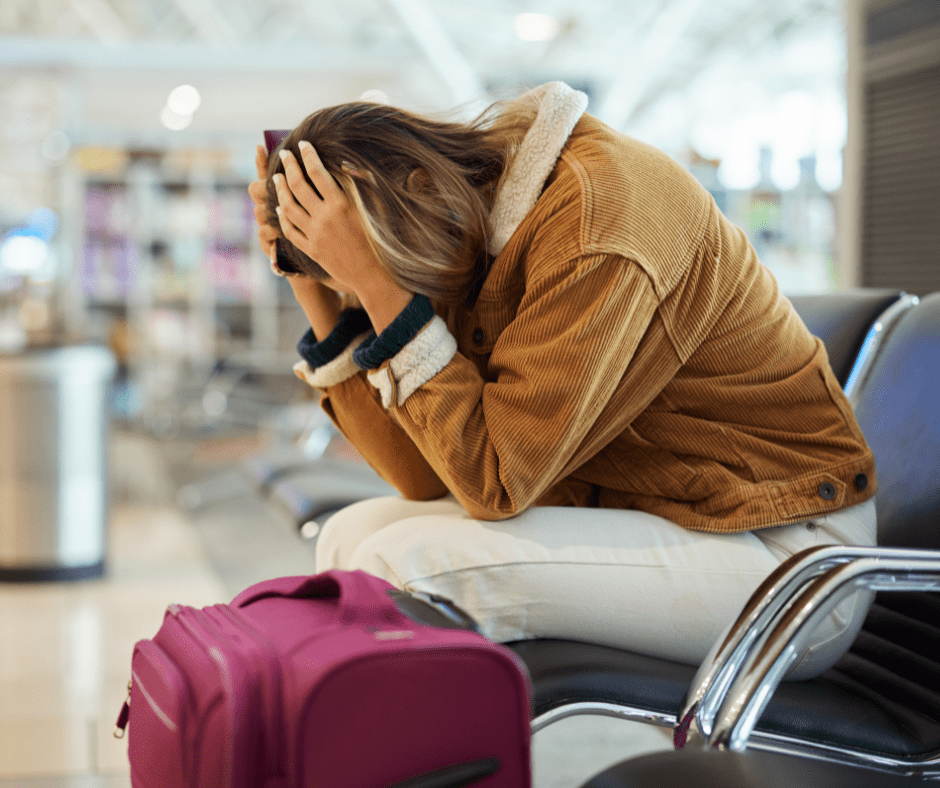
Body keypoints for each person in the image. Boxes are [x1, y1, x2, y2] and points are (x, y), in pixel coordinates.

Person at [247, 82, 877, 679]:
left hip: (788, 555)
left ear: (417, 185)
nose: (367, 286)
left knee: (402, 564)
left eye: (363, 266)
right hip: (668, 514)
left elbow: (493, 482)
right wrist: (317, 285)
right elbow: (422, 475)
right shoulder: (461, 224)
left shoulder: (599, 224)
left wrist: (382, 290)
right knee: (351, 533)